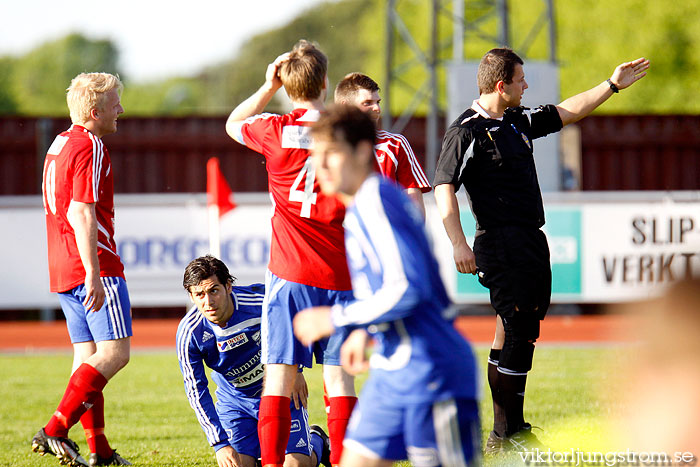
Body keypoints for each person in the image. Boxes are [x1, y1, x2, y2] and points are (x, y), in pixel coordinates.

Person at [432, 47, 650, 453]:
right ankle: (508, 435)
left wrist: (610, 86)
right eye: (520, 80)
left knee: (514, 328)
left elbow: (567, 112)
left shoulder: (515, 119)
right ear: (502, 85)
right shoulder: (466, 130)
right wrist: (458, 242)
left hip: (530, 239)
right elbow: (443, 186)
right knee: (518, 329)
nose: (526, 85)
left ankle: (505, 435)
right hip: (499, 242)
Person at [293, 105, 481, 467]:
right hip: (391, 368)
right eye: (316, 155)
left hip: (432, 370)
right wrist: (364, 330)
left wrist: (337, 318)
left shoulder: (376, 199)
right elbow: (384, 286)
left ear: (363, 152)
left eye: (331, 153)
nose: (321, 165)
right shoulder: (359, 208)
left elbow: (410, 288)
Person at [224, 40, 356, 467]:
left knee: (277, 378)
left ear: (285, 84)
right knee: (340, 378)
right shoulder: (345, 128)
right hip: (339, 270)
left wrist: (266, 88)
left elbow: (232, 123)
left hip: (289, 273)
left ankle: (271, 464)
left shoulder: (272, 128)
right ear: (324, 82)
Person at [34, 72, 132, 467]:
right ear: (95, 113)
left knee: (87, 356)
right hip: (92, 263)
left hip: (60, 264)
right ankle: (56, 428)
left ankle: (100, 450)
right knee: (115, 353)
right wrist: (94, 271)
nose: (121, 110)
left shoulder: (60, 142)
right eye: (115, 105)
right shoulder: (91, 145)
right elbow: (81, 210)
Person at [176, 255, 331, 467]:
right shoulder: (189, 333)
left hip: (279, 391)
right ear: (191, 296)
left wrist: (297, 369)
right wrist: (219, 444)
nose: (208, 302)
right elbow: (196, 390)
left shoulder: (260, 303)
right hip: (235, 402)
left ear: (228, 286)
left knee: (296, 465)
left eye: (214, 291)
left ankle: (318, 441)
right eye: (199, 294)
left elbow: (293, 317)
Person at [334, 72, 431, 216]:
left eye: (378, 102)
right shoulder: (328, 148)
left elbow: (414, 204)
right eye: (367, 103)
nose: (377, 109)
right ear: (346, 106)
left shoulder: (395, 144)